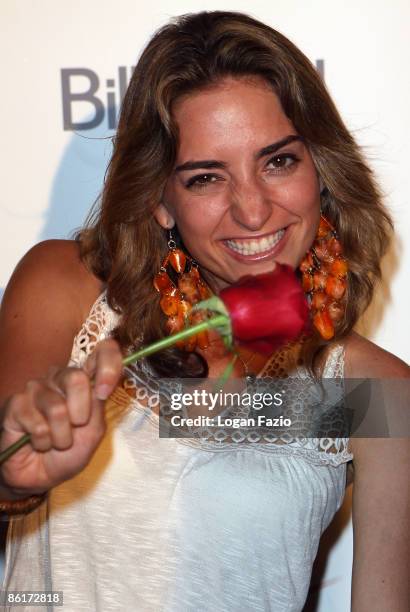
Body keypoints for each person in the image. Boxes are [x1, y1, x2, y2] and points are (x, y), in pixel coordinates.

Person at [0, 10, 408, 612]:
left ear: (320, 169)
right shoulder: (67, 288)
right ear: (160, 201)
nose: (252, 211)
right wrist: (11, 483)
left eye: (278, 161)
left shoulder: (371, 394)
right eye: (205, 178)